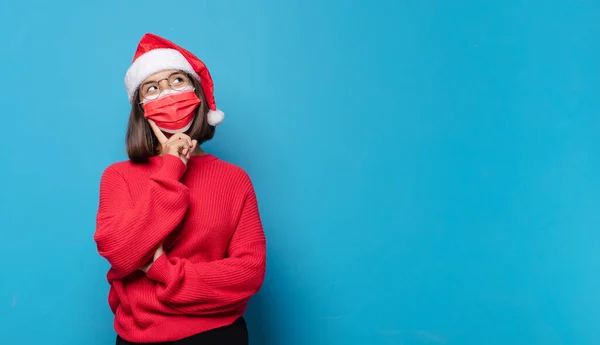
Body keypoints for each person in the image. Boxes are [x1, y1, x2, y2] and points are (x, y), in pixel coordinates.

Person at [93, 33, 266, 345]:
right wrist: (172, 167)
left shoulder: (234, 179)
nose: (168, 95)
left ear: (197, 94)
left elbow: (248, 272)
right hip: (139, 338)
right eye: (153, 88)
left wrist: (163, 270)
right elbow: (120, 253)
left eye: (176, 81)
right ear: (141, 109)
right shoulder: (118, 177)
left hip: (219, 336)